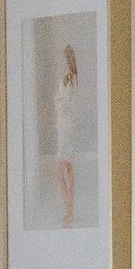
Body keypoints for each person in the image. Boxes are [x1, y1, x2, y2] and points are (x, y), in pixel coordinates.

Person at [51, 38, 80, 227]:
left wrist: (59, 100)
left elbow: (66, 104)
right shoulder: (71, 78)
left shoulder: (69, 79)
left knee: (63, 170)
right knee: (68, 170)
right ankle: (70, 211)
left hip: (65, 127)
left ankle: (69, 212)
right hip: (65, 126)